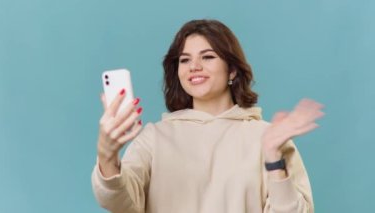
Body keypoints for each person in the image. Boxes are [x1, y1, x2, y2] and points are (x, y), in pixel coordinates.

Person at [91, 19, 324, 213]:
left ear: (232, 69)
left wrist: (274, 158)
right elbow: (119, 202)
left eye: (208, 57)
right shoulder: (154, 138)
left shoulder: (268, 136)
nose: (194, 66)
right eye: (184, 60)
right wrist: (107, 156)